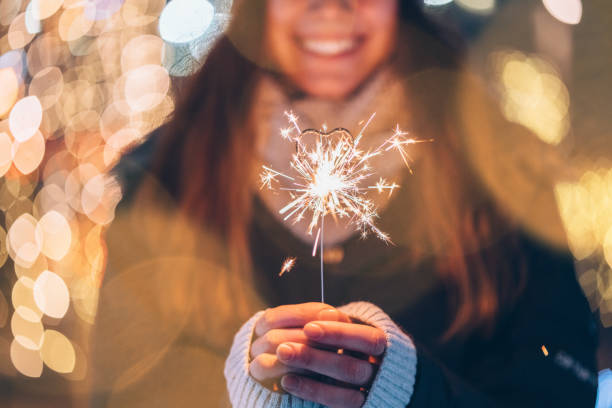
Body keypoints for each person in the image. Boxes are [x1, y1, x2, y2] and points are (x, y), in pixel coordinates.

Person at [90, 1, 599, 407]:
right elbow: (122, 389)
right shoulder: (166, 174)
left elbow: (560, 391)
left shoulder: (504, 164)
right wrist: (242, 392)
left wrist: (409, 390)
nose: (331, 8)